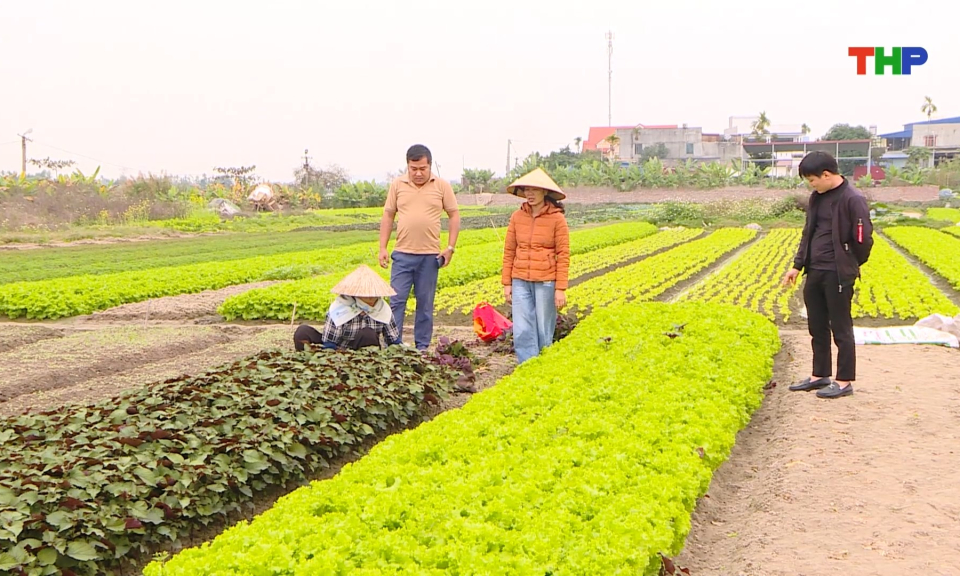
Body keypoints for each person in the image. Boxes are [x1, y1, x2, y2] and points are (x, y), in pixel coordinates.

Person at [782, 151, 874, 399]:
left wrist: (849, 262)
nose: (810, 185)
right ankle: (819, 375)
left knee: (841, 328)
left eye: (812, 180)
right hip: (815, 271)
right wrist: (797, 265)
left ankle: (843, 381)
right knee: (817, 326)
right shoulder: (816, 198)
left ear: (826, 174)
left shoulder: (852, 198)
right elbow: (807, 233)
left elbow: (863, 239)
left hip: (838, 273)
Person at [379, 144, 460, 352]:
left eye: (422, 168)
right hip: (402, 255)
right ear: (407, 166)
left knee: (425, 305)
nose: (417, 173)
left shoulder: (442, 186)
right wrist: (383, 247)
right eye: (413, 168)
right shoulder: (397, 185)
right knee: (396, 301)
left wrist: (450, 247)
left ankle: (422, 347)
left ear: (429, 166)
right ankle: (393, 345)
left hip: (429, 256)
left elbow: (454, 215)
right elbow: (388, 215)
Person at [501, 167, 570, 363]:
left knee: (543, 328)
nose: (529, 194)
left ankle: (543, 365)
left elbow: (563, 255)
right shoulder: (517, 217)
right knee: (522, 328)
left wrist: (560, 288)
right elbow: (509, 251)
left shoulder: (557, 219)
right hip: (520, 279)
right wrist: (507, 283)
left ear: (545, 192)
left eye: (534, 190)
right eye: (526, 190)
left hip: (546, 281)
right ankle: (527, 366)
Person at [293, 265, 402, 352]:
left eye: (373, 295)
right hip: (337, 350)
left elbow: (394, 341)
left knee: (368, 333)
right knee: (302, 332)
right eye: (366, 294)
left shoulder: (383, 310)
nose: (370, 297)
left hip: (364, 353)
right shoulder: (340, 308)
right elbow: (329, 343)